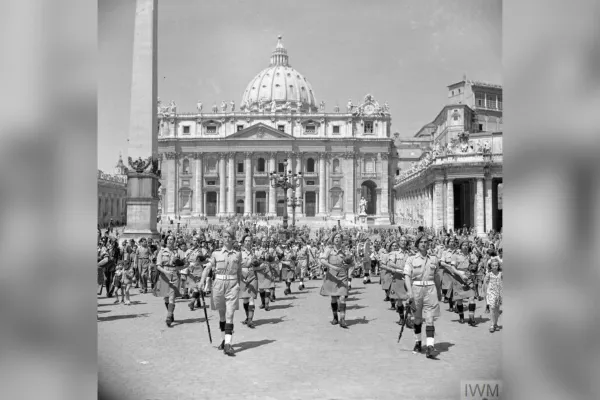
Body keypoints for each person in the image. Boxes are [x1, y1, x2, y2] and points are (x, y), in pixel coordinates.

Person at [197, 227, 242, 356]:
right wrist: (201, 281)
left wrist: (238, 285)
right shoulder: (216, 253)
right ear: (222, 239)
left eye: (229, 237)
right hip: (218, 285)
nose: (227, 239)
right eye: (225, 237)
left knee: (230, 314)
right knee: (222, 315)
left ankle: (228, 344)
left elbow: (238, 271)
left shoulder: (237, 254)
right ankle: (223, 339)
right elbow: (207, 268)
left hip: (232, 285)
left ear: (233, 239)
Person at [319, 232, 353, 329]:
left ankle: (342, 319)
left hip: (342, 276)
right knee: (334, 298)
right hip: (332, 276)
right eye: (336, 237)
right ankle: (335, 317)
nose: (337, 239)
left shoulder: (345, 251)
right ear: (333, 239)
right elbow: (322, 260)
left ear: (342, 240)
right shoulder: (328, 250)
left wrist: (348, 265)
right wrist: (332, 266)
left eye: (339, 237)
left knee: (342, 297)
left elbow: (352, 263)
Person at [154, 235, 184, 327]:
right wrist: (166, 271)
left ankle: (169, 316)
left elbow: (185, 263)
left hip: (174, 275)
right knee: (166, 297)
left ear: (174, 241)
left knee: (172, 297)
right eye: (169, 239)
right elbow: (158, 265)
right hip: (164, 275)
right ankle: (171, 312)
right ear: (166, 241)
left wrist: (179, 267)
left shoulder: (179, 252)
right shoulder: (162, 252)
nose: (170, 241)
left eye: (172, 239)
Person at [239, 234, 259, 328]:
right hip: (243, 276)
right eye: (246, 240)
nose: (248, 242)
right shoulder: (239, 253)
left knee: (251, 298)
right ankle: (247, 317)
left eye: (249, 240)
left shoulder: (254, 252)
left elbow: (257, 264)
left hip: (252, 276)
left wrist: (257, 264)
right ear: (243, 242)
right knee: (245, 299)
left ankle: (250, 320)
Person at [485, 257, 503, 332]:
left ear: (498, 266)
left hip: (499, 293)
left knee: (497, 310)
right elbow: (485, 284)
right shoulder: (489, 274)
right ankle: (492, 324)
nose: (495, 267)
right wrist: (485, 293)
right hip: (491, 293)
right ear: (490, 266)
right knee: (492, 308)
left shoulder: (501, 274)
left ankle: (496, 323)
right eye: (493, 265)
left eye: (496, 265)